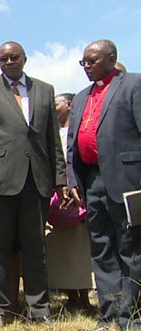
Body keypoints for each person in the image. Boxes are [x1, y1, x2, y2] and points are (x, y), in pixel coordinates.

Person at [0, 41, 65, 326]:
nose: (9, 62)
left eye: (14, 57)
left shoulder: (44, 90)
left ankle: (40, 309)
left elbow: (52, 140)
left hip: (37, 180)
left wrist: (60, 179)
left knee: (36, 247)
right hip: (0, 182)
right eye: (3, 59)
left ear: (25, 59)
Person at [66, 40, 141, 331]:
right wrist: (73, 179)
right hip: (92, 180)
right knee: (102, 248)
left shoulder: (132, 85)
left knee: (130, 248)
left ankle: (131, 314)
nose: (86, 66)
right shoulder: (83, 96)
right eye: (83, 62)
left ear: (112, 58)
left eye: (92, 61)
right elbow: (73, 144)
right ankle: (109, 312)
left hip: (127, 180)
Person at [44, 93, 93, 314]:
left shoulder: (79, 130)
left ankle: (84, 296)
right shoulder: (52, 134)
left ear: (69, 105)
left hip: (77, 195)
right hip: (57, 199)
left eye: (57, 103)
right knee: (61, 250)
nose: (53, 107)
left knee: (79, 249)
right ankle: (70, 296)